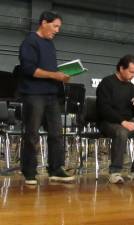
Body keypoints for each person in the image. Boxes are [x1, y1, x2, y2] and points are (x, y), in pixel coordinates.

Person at [18, 11, 75, 185]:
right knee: (32, 133)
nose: (57, 30)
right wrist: (54, 75)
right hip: (34, 94)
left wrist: (62, 76)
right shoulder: (30, 42)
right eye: (55, 26)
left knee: (57, 134)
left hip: (52, 95)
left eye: (59, 27)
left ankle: (56, 169)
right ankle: (29, 172)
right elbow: (29, 69)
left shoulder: (50, 44)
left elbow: (50, 71)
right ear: (44, 23)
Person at [96, 54, 134, 184]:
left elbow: (132, 113)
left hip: (126, 122)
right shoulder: (106, 83)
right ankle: (115, 172)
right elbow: (104, 109)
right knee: (121, 132)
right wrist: (122, 122)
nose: (133, 75)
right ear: (121, 68)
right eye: (131, 72)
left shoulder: (131, 87)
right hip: (108, 122)